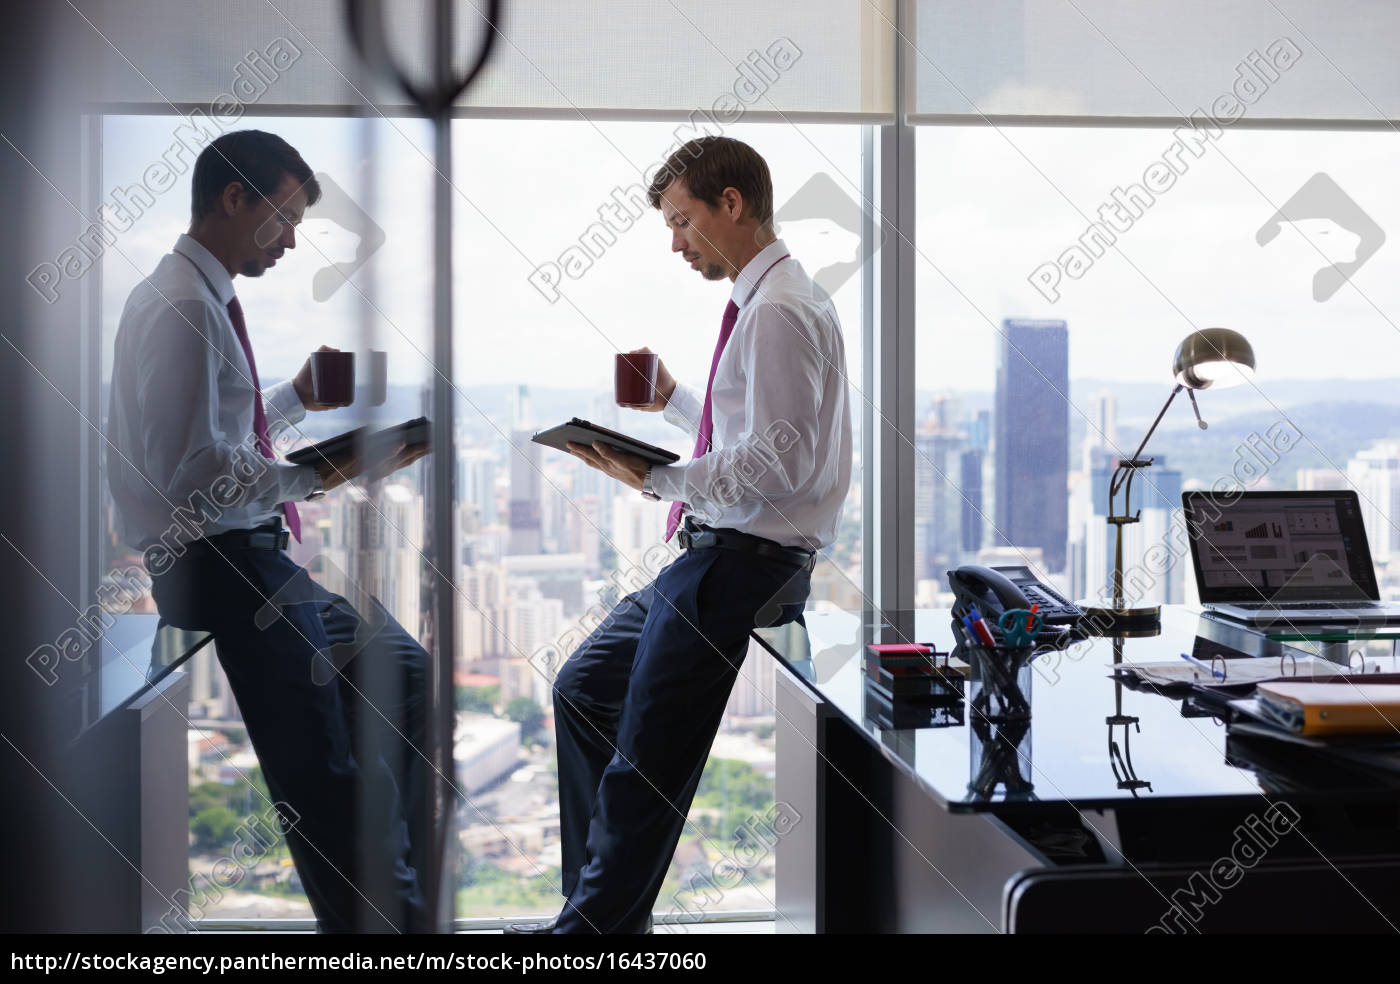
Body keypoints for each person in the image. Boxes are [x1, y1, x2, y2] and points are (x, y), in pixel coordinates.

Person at [508, 136, 852, 934]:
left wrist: (652, 477)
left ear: (730, 205)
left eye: (681, 220)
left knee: (645, 762)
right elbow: (760, 431)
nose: (675, 243)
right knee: (585, 689)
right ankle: (599, 917)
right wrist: (674, 405)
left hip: (740, 565)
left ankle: (587, 937)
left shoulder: (778, 310)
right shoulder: (775, 300)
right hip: (719, 554)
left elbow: (773, 464)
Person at [106, 130, 430, 933]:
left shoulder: (201, 297)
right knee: (324, 776)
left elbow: (218, 434)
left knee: (404, 675)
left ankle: (402, 892)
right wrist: (323, 473)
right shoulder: (182, 304)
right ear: (232, 198)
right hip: (217, 565)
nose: (291, 241)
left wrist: (293, 399)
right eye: (283, 218)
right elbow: (189, 475)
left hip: (250, 560)